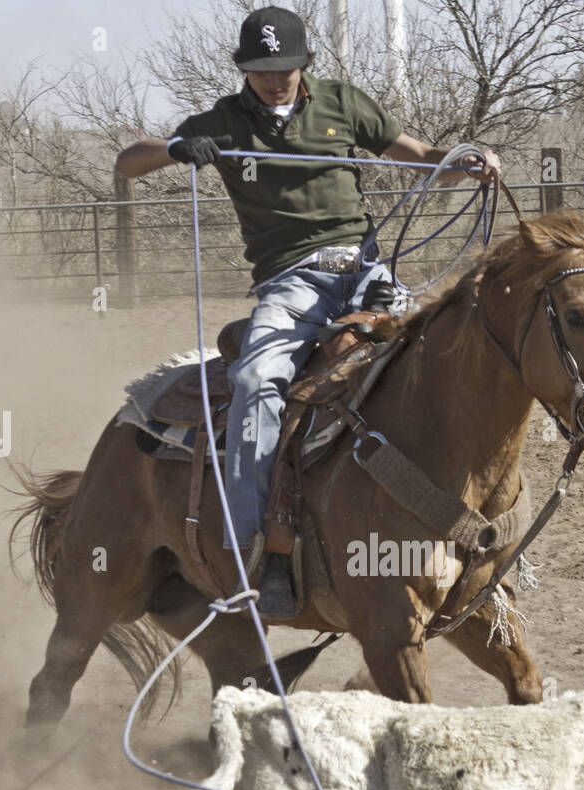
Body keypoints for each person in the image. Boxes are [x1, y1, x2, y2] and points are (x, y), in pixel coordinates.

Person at [116, 5, 499, 617]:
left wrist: (464, 160)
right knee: (254, 381)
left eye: (285, 68)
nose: (274, 80)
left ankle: (475, 516)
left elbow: (420, 154)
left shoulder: (343, 103)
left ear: (305, 64)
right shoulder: (225, 121)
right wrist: (178, 147)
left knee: (447, 354)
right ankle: (246, 547)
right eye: (261, 69)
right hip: (290, 284)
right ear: (244, 69)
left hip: (367, 270)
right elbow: (129, 162)